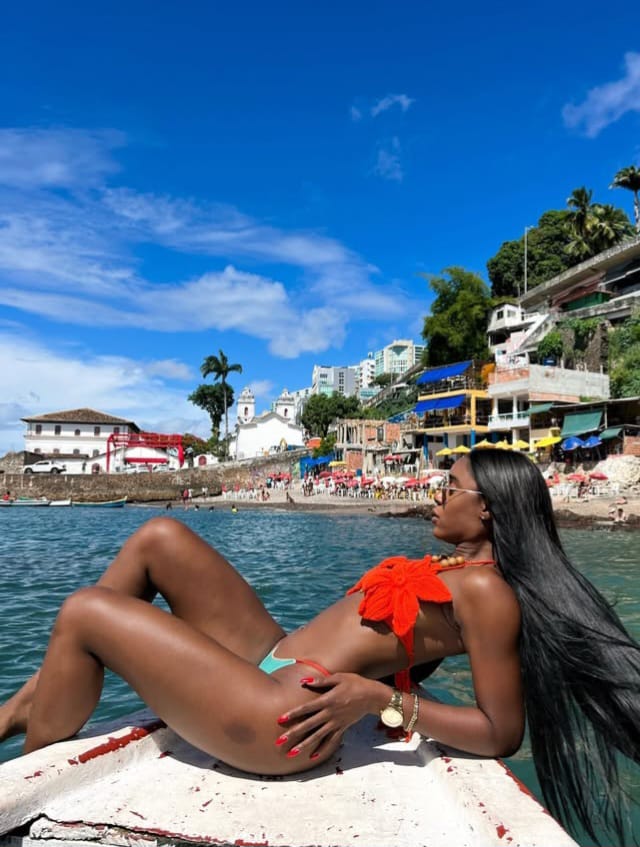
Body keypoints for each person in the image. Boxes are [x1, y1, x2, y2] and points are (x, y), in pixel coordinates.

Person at [0, 450, 638, 844]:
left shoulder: (489, 593)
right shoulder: (456, 569)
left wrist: (378, 700)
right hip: (275, 658)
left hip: (283, 717)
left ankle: (23, 774)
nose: (435, 496)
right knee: (160, 536)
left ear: (490, 509)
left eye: (450, 488)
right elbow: (404, 643)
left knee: (85, 612)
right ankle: (33, 699)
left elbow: (500, 732)